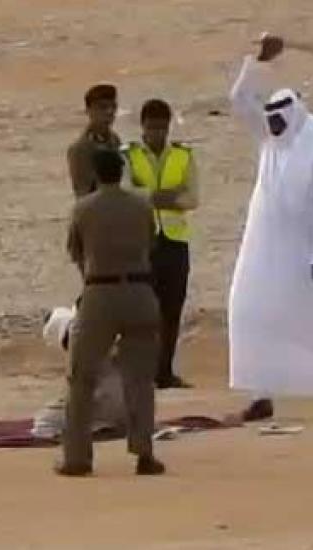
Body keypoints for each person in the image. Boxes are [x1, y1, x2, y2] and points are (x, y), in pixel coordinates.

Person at [226, 33, 313, 421]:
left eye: (279, 119)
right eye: (270, 119)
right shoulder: (270, 138)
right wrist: (259, 61)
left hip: (305, 246)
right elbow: (239, 99)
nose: (273, 124)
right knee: (251, 310)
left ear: (293, 114)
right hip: (262, 244)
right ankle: (261, 394)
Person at [57, 149, 164, 477]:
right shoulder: (142, 206)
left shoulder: (84, 208)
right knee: (140, 379)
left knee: (82, 377)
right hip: (140, 291)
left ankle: (77, 457)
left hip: (100, 291)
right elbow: (152, 244)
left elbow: (75, 250)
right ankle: (144, 452)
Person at [122, 99, 200, 389]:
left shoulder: (182, 155)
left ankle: (164, 371)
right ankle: (143, 368)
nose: (156, 133)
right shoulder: (128, 155)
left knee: (172, 308)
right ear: (142, 127)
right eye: (152, 128)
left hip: (175, 241)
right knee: (143, 310)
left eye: (161, 128)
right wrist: (166, 197)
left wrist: (150, 196)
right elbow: (126, 193)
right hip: (143, 241)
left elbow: (193, 198)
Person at [32, 306, 127, 440]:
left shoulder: (82, 346)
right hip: (134, 407)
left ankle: (101, 425)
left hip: (108, 403)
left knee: (45, 420)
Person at [67, 84, 123, 198]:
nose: (110, 112)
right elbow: (82, 194)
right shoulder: (80, 149)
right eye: (103, 107)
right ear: (89, 111)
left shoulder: (115, 140)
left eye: (113, 107)